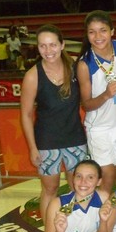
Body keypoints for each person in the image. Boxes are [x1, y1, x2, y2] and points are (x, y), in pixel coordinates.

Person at [19, 24, 88, 221]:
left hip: (76, 139)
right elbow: (25, 114)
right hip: (47, 143)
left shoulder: (75, 68)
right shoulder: (33, 76)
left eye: (52, 45)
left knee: (80, 187)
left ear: (62, 45)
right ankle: (49, 231)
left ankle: (80, 227)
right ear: (38, 48)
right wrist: (33, 148)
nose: (48, 51)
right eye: (43, 46)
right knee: (50, 188)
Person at [77, 10, 116, 196]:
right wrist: (105, 95)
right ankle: (106, 222)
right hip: (100, 128)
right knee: (107, 179)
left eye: (102, 30)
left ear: (112, 31)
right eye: (92, 32)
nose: (98, 36)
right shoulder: (84, 64)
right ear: (87, 35)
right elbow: (86, 104)